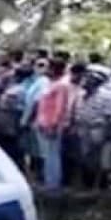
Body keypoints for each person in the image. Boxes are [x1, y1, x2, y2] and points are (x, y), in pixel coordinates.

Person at [71, 66, 111, 188]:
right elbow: (78, 111)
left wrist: (106, 132)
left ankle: (101, 187)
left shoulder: (107, 96)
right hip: (83, 130)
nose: (86, 81)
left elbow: (110, 116)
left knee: (102, 161)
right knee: (86, 159)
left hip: (98, 131)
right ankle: (88, 185)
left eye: (90, 78)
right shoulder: (82, 94)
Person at [34, 58, 71, 191]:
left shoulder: (61, 86)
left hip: (51, 126)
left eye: (48, 67)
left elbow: (60, 108)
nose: (46, 70)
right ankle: (48, 181)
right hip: (43, 124)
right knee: (47, 154)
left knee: (52, 155)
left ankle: (53, 184)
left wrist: (53, 125)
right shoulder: (50, 83)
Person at [0, 65, 34, 165]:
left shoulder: (17, 90)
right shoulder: (24, 88)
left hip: (10, 119)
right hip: (13, 118)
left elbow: (5, 104)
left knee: (11, 144)